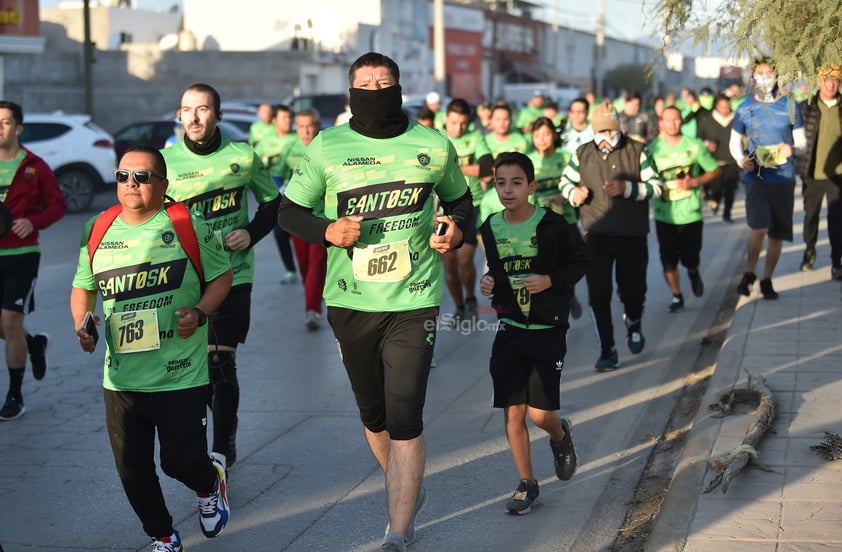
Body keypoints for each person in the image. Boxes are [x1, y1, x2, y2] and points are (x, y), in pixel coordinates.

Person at [278, 52, 472, 552]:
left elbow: (460, 203)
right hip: (349, 300)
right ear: (350, 92)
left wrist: (454, 231)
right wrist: (328, 229)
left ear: (399, 88)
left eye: (383, 82)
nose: (374, 89)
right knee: (375, 415)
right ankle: (405, 485)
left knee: (405, 415)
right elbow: (288, 212)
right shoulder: (327, 146)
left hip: (415, 298)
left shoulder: (432, 145)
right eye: (364, 83)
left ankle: (397, 533)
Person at [70, 145, 233, 551]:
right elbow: (83, 286)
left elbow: (222, 276)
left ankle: (209, 482)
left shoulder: (185, 225)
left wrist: (199, 310)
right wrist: (82, 323)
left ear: (162, 183)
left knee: (179, 462)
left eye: (141, 177)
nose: (130, 183)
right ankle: (163, 535)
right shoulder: (98, 228)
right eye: (123, 175)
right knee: (132, 469)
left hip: (180, 372)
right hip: (122, 377)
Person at [162, 83, 281, 470]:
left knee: (219, 359)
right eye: (186, 109)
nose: (194, 117)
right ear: (179, 115)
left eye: (203, 109)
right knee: (191, 364)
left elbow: (272, 204)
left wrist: (250, 233)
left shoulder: (243, 157)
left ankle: (221, 444)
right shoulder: (164, 162)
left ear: (218, 115)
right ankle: (214, 420)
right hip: (186, 277)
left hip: (234, 272)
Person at [478, 152, 589, 515]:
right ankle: (527, 483)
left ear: (532, 186)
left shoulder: (554, 225)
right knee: (513, 412)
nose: (508, 190)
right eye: (500, 183)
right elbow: (494, 270)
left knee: (541, 415)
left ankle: (560, 435)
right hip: (510, 328)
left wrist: (551, 280)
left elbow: (581, 262)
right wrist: (488, 282)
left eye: (516, 183)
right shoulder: (490, 227)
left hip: (547, 329)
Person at [559, 102, 662, 370]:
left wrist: (627, 188)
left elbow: (656, 187)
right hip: (596, 235)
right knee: (598, 294)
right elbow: (565, 182)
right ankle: (607, 349)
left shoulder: (638, 150)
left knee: (633, 289)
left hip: (632, 234)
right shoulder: (581, 153)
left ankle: (634, 321)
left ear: (619, 128)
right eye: (601, 130)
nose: (607, 135)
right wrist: (574, 194)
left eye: (611, 129)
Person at [0, 101, 65, 421]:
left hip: (22, 255)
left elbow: (57, 206)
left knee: (10, 321)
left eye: (5, 122)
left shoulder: (35, 166)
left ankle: (15, 395)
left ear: (19, 128)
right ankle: (35, 345)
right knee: (3, 325)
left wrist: (33, 222)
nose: (0, 127)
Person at [731, 60, 806, 299]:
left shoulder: (790, 106)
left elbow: (802, 143)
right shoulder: (744, 107)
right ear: (752, 77)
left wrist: (792, 148)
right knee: (759, 226)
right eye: (759, 73)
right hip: (757, 176)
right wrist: (742, 160)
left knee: (777, 233)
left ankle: (766, 279)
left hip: (783, 176)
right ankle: (749, 272)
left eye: (768, 72)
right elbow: (735, 143)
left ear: (777, 75)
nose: (764, 77)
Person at [647, 106, 720, 313]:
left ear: (682, 121)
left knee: (690, 257)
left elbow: (714, 170)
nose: (673, 124)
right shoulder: (652, 149)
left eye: (676, 119)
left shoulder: (694, 146)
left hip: (690, 213)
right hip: (664, 214)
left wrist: (695, 181)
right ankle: (677, 295)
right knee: (668, 260)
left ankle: (693, 271)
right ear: (661, 123)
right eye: (668, 120)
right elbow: (643, 177)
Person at [276, 108, 328, 329]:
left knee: (316, 264)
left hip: (323, 217)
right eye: (301, 126)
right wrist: (282, 188)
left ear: (317, 126)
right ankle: (316, 291)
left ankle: (312, 310)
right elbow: (277, 174)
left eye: (310, 126)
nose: (306, 131)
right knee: (306, 267)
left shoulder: (327, 146)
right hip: (298, 217)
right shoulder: (291, 148)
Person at [441, 98, 493, 321]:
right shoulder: (437, 139)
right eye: (454, 123)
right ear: (446, 119)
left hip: (472, 205)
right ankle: (459, 305)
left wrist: (455, 167)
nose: (458, 128)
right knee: (450, 263)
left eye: (463, 123)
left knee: (464, 260)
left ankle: (471, 298)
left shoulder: (475, 137)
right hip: (444, 209)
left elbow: (486, 167)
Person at [795, 64, 842, 278]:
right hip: (811, 173)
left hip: (837, 176)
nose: (830, 85)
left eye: (834, 80)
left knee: (837, 220)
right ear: (819, 82)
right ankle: (809, 252)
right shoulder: (807, 107)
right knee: (810, 216)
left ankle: (836, 262)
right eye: (826, 80)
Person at [254, 104, 299, 284]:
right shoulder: (265, 141)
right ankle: (290, 270)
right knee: (280, 234)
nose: (288, 122)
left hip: (299, 197)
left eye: (290, 118)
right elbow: (254, 166)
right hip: (276, 197)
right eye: (283, 118)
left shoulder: (298, 139)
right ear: (274, 121)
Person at [697, 93, 740, 222]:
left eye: (728, 106)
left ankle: (727, 214)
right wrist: (707, 144)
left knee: (730, 189)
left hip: (731, 160)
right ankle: (714, 199)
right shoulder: (708, 121)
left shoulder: (736, 120)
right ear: (717, 106)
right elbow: (698, 138)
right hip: (714, 161)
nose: (725, 110)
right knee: (716, 187)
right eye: (722, 107)